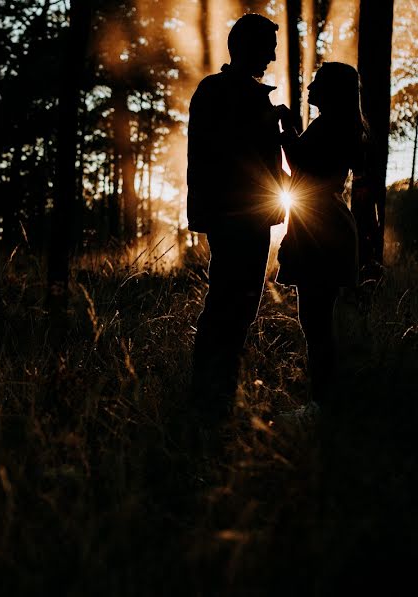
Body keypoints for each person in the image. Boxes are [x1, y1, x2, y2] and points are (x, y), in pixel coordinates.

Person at [187, 13, 287, 424]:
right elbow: (230, 155)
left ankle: (220, 389)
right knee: (230, 299)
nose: (274, 55)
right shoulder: (219, 92)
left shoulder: (242, 93)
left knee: (240, 301)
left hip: (250, 215)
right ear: (247, 47)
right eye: (268, 46)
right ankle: (211, 393)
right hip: (235, 215)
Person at [276, 62, 366, 417]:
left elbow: (302, 166)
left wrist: (285, 131)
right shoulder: (337, 126)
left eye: (317, 82)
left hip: (321, 230)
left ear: (331, 91)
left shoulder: (329, 126)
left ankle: (321, 404)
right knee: (318, 320)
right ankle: (324, 400)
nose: (310, 87)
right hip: (326, 226)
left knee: (315, 322)